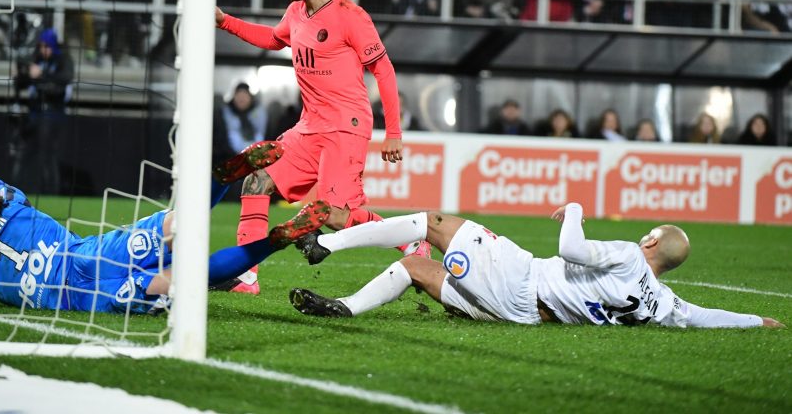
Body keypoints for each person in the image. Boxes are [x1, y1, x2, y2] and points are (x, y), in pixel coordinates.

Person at [0, 135, 327, 313]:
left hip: (88, 294)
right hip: (89, 252)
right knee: (179, 224)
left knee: (184, 280)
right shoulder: (13, 206)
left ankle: (275, 241)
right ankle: (222, 180)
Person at [215, 0, 428, 294]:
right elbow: (273, 38)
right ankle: (246, 276)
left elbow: (384, 70)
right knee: (256, 181)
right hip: (309, 127)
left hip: (347, 127)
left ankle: (411, 241)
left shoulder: (350, 15)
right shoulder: (296, 11)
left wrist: (394, 132)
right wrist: (225, 22)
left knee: (333, 217)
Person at [288, 203, 783, 328]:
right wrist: (755, 319)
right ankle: (345, 308)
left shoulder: (632, 255)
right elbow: (702, 316)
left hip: (522, 278)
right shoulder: (663, 304)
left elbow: (571, 249)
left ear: (651, 240)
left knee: (432, 222)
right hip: (522, 314)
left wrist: (575, 211)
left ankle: (327, 246)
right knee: (417, 269)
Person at [13, 28, 73, 195]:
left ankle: (51, 192)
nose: (42, 50)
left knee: (49, 155)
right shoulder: (37, 58)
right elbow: (23, 82)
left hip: (53, 116)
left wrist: (41, 75)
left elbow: (63, 81)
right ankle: (18, 191)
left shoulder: (63, 60)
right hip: (34, 115)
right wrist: (22, 74)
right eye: (40, 46)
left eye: (46, 46)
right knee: (24, 154)